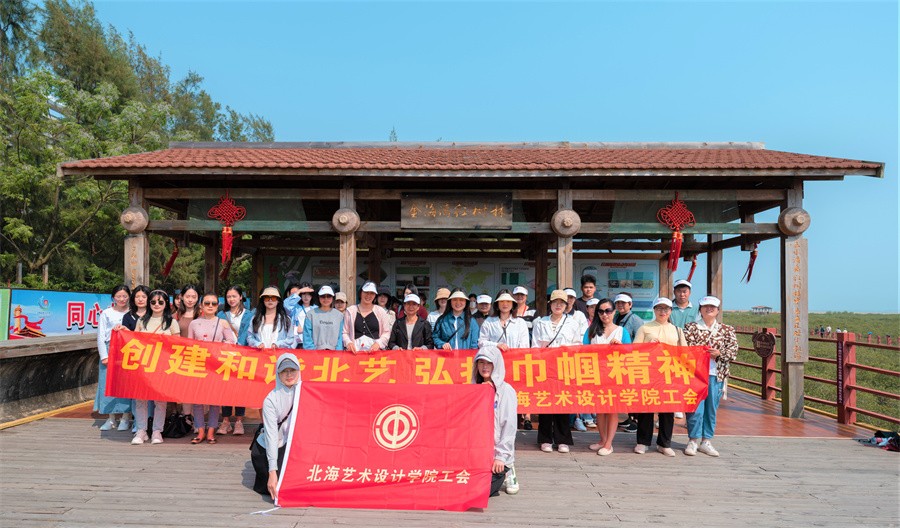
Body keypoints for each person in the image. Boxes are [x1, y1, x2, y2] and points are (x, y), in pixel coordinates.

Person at [683, 296, 738, 458]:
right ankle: (693, 440)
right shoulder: (691, 328)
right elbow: (685, 349)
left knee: (711, 409)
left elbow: (733, 351)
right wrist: (701, 353)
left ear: (718, 310)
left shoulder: (726, 330)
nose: (709, 309)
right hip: (695, 375)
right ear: (700, 309)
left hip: (716, 375)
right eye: (705, 306)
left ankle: (706, 440)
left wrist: (719, 353)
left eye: (712, 307)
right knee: (695, 409)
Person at [632, 297, 686, 457]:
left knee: (667, 410)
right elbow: (634, 350)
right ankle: (642, 442)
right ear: (654, 310)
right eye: (659, 308)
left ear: (670, 311)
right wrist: (647, 346)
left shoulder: (677, 330)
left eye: (666, 309)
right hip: (648, 374)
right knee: (646, 409)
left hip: (669, 374)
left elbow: (684, 353)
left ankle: (664, 443)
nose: (663, 312)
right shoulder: (645, 328)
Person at [531, 290, 582, 453]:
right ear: (550, 304)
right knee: (546, 402)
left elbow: (578, 345)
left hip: (564, 367)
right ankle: (545, 438)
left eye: (562, 302)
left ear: (566, 305)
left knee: (562, 402)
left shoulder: (572, 323)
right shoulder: (541, 322)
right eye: (555, 302)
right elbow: (535, 346)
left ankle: (562, 439)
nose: (558, 305)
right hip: (546, 367)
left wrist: (566, 350)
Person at [584, 298, 632, 456]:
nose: (604, 314)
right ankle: (602, 440)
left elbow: (630, 353)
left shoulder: (622, 331)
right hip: (596, 374)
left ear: (614, 312)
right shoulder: (591, 331)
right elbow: (583, 351)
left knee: (612, 410)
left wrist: (620, 347)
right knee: (599, 409)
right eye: (601, 311)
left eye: (608, 311)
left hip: (615, 375)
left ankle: (609, 443)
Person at [132, 289, 180, 445]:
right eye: (153, 301)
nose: (157, 304)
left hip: (162, 366)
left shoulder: (171, 322)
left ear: (166, 303)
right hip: (144, 365)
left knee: (160, 400)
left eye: (160, 302)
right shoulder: (142, 321)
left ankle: (157, 431)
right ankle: (141, 430)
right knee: (140, 399)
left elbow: (178, 345)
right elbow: (133, 341)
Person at [188, 292, 236, 444]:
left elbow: (231, 342)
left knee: (214, 399)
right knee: (197, 400)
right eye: (207, 303)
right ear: (201, 305)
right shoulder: (194, 323)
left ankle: (211, 431)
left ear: (217, 306)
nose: (210, 306)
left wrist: (220, 347)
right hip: (198, 364)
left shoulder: (223, 323)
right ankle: (200, 430)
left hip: (216, 365)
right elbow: (188, 344)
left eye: (213, 303)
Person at [252, 352, 301, 498]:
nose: (289, 375)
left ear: (299, 370)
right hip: (272, 446)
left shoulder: (306, 393)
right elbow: (272, 436)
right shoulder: (270, 400)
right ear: (278, 374)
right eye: (284, 371)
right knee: (278, 485)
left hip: (294, 446)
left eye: (292, 370)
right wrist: (272, 471)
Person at [472, 345, 518, 497]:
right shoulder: (473, 389)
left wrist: (501, 456)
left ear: (496, 364)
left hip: (497, 454)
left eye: (489, 363)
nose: (484, 367)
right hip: (478, 452)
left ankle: (508, 469)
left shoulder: (506, 391)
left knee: (482, 492)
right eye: (481, 362)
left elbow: (509, 426)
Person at [95, 284, 134, 432]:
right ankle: (111, 418)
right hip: (109, 349)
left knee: (125, 384)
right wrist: (104, 355)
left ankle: (125, 417)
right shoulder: (106, 313)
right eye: (118, 296)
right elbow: (100, 335)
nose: (122, 299)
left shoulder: (132, 313)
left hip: (126, 351)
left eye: (124, 296)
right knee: (108, 383)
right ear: (113, 298)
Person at [218, 285, 252, 436]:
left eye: (234, 296)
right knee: (225, 388)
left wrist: (239, 346)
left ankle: (239, 421)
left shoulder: (249, 314)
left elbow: (250, 333)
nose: (231, 299)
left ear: (241, 297)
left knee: (240, 388)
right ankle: (226, 420)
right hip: (225, 355)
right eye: (229, 296)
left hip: (242, 355)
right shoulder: (221, 314)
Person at [511, 285, 536, 431]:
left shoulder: (533, 312)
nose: (519, 297)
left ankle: (527, 417)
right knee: (514, 385)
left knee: (527, 385)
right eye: (517, 295)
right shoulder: (510, 311)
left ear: (526, 297)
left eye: (522, 295)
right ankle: (515, 414)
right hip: (512, 356)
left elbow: (537, 331)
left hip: (528, 354)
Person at [342, 281, 392, 354]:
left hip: (375, 352)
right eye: (366, 292)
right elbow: (345, 332)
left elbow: (386, 333)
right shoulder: (350, 311)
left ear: (375, 295)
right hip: (355, 352)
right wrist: (348, 343)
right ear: (360, 293)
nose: (368, 295)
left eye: (372, 293)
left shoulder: (381, 311)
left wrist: (378, 344)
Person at [174, 284, 201, 417]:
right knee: (185, 389)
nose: (190, 300)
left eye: (194, 297)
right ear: (181, 297)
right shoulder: (176, 316)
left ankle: (198, 420)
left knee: (198, 390)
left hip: (199, 357)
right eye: (187, 296)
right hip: (181, 357)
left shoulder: (203, 314)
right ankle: (187, 417)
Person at [302, 285, 344, 350]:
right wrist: (312, 352)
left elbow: (340, 337)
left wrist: (338, 352)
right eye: (323, 296)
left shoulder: (339, 315)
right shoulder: (310, 314)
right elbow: (307, 337)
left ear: (333, 298)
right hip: (315, 353)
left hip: (334, 353)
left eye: (329, 296)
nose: (326, 299)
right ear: (318, 297)